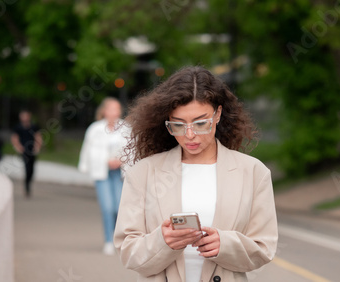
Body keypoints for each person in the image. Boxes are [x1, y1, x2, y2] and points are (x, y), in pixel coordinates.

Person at [114, 66, 278, 281]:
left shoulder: (253, 172)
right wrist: (162, 242)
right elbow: (127, 252)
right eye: (178, 125)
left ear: (218, 114)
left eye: (200, 123)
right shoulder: (143, 173)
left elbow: (264, 248)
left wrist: (225, 245)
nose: (189, 135)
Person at [78, 97, 131, 255]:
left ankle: (117, 237)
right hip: (102, 172)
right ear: (104, 111)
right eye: (111, 109)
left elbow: (132, 149)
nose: (115, 112)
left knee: (118, 208)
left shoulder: (126, 128)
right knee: (107, 207)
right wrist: (102, 162)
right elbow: (89, 150)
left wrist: (120, 160)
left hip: (119, 173)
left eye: (117, 109)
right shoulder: (95, 129)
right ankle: (108, 241)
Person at [11, 110, 42, 198]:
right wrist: (18, 147)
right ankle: (27, 187)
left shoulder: (34, 126)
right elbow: (15, 138)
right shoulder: (18, 127)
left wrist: (37, 147)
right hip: (24, 151)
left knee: (32, 169)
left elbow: (38, 137)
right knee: (27, 168)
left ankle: (28, 183)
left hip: (32, 150)